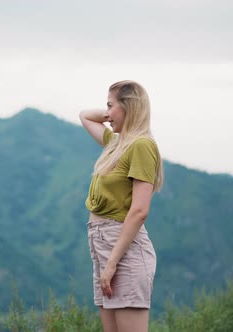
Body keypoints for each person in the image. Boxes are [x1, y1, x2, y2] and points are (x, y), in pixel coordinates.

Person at [79, 80, 163, 332]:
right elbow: (85, 117)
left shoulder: (141, 145)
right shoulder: (117, 143)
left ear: (129, 107)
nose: (106, 114)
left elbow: (139, 211)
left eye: (110, 105)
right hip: (102, 245)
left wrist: (113, 262)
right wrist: (112, 112)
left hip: (123, 250)